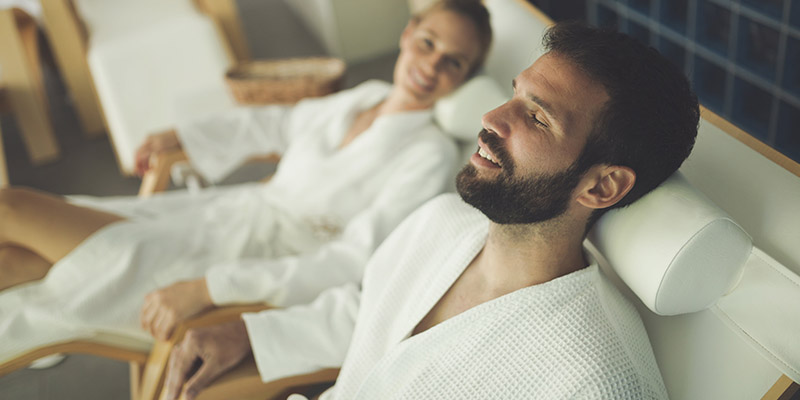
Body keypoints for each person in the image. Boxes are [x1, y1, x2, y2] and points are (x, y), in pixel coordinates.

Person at [160, 21, 699, 400]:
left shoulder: (593, 380)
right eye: (515, 93)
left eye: (536, 118)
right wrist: (249, 334)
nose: (491, 116)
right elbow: (368, 309)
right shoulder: (439, 221)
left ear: (603, 187)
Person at [0, 0, 492, 361]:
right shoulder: (364, 95)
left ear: (466, 78)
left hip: (245, 260)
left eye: (453, 61)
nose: (431, 66)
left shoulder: (426, 155)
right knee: (13, 260)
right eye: (428, 43)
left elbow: (354, 261)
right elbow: (278, 123)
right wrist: (185, 136)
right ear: (408, 35)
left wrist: (211, 287)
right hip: (220, 216)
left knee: (11, 209)